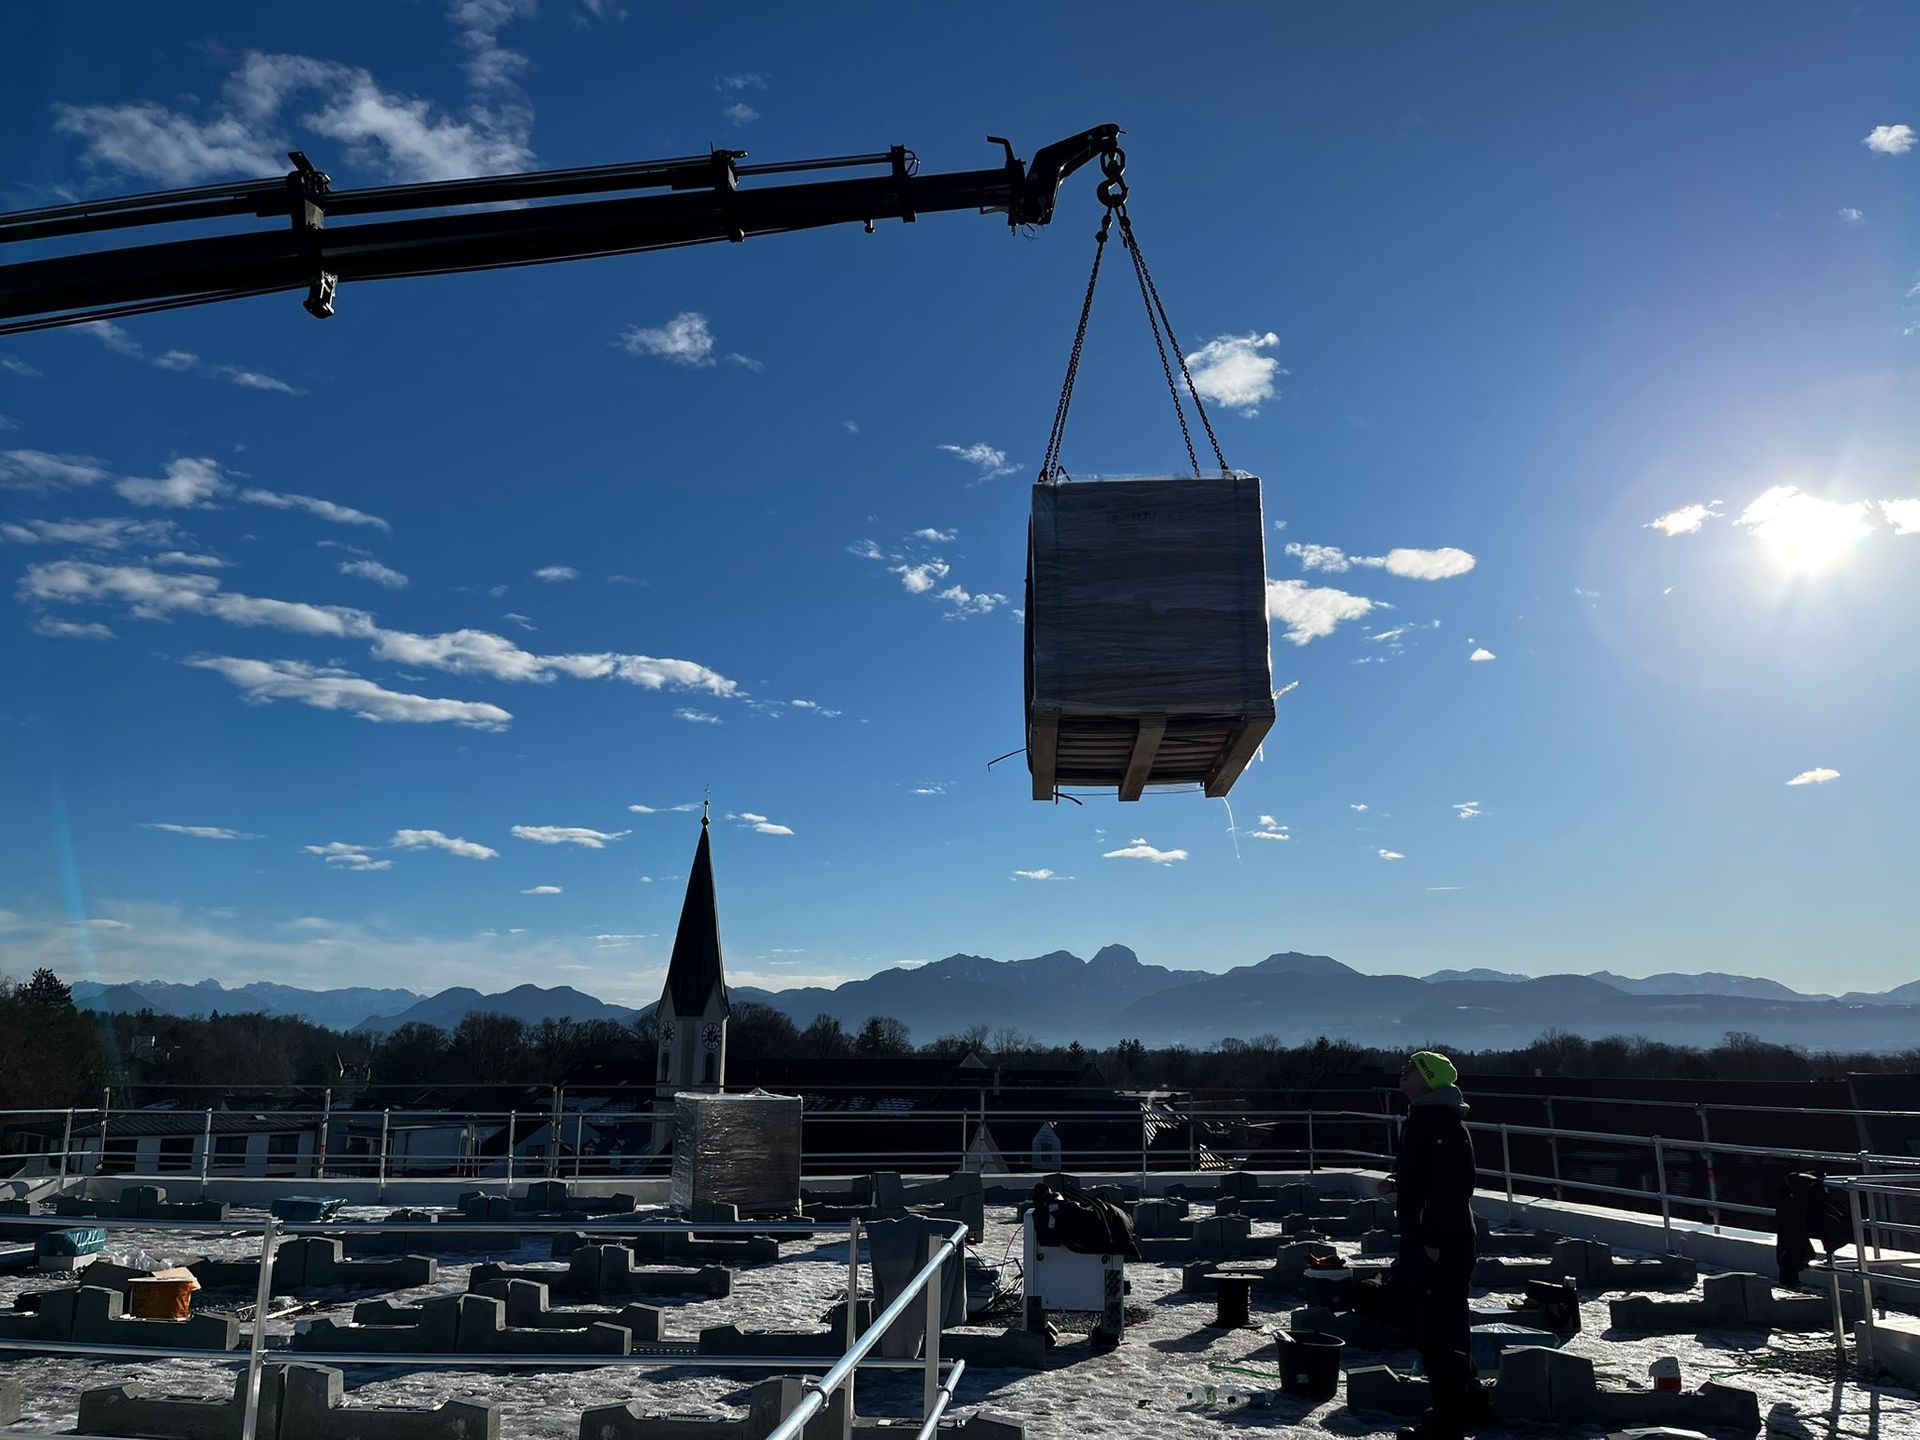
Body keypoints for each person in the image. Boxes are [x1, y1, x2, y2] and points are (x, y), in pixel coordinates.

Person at [1385, 1050, 1486, 1440]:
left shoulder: (1437, 1122)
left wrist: (1432, 1237)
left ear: (1426, 1079)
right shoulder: (1428, 1119)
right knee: (1443, 1323)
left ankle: (1450, 1416)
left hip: (1441, 1242)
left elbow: (1451, 1186)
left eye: (1410, 1069)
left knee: (1440, 1328)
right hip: (1434, 1238)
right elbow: (1428, 1177)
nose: (1403, 1074)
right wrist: (1399, 1184)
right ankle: (1468, 1402)